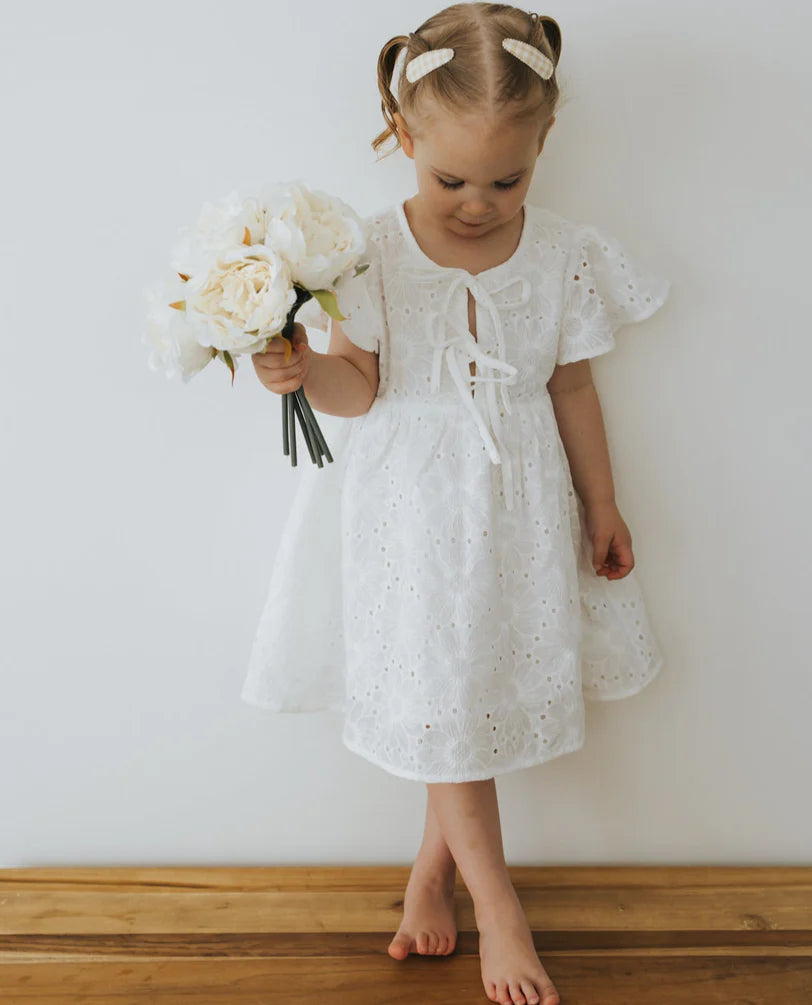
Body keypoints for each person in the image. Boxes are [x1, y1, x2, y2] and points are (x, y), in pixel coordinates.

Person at [243, 5, 671, 1004]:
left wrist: (602, 506)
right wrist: (302, 369)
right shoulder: (369, 254)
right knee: (443, 691)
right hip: (411, 511)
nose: (477, 203)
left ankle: (429, 874)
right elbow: (364, 388)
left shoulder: (562, 253)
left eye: (505, 180)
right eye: (450, 180)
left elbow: (570, 387)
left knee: (467, 697)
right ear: (403, 138)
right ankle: (498, 902)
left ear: (544, 145)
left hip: (517, 509)